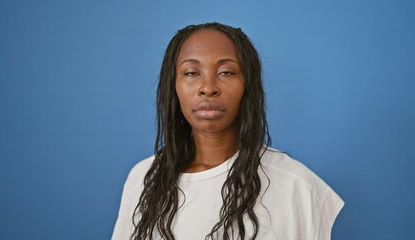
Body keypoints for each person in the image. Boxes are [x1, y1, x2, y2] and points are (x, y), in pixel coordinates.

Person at [112, 22, 344, 240]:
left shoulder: (297, 186)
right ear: (173, 86)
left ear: (247, 85)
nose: (208, 88)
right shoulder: (144, 178)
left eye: (226, 72)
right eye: (192, 73)